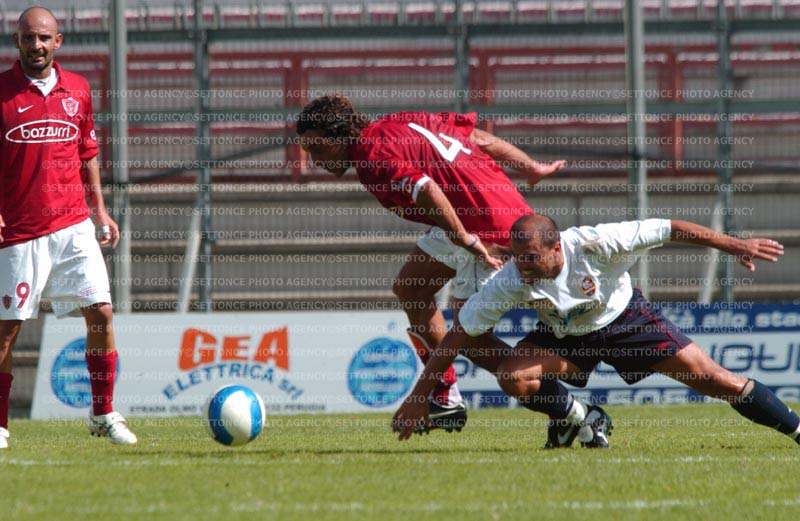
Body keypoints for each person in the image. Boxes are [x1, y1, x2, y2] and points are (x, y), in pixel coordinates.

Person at [393, 215, 800, 449]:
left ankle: (796, 430)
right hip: (566, 336)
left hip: (627, 321)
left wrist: (735, 245)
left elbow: (671, 228)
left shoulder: (596, 244)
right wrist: (419, 396)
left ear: (557, 248)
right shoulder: (512, 278)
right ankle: (576, 417)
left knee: (714, 380)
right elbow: (460, 334)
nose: (523, 266)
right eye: (517, 257)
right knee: (512, 376)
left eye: (531, 257)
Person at [297, 94, 567, 432]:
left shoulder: (371, 156)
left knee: (469, 337)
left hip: (486, 227)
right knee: (412, 288)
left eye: (318, 148)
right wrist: (529, 166)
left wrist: (464, 238)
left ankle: (571, 410)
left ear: (340, 134)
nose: (315, 159)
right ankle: (444, 396)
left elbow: (426, 189)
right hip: (475, 212)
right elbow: (477, 137)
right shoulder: (401, 120)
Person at [0, 7, 137, 448]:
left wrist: (101, 212)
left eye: (44, 37)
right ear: (16, 41)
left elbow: (87, 153)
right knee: (7, 331)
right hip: (19, 230)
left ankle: (103, 413)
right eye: (28, 37)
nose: (36, 45)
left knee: (101, 312)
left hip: (73, 224)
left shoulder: (78, 88)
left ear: (57, 41)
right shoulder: (1, 92)